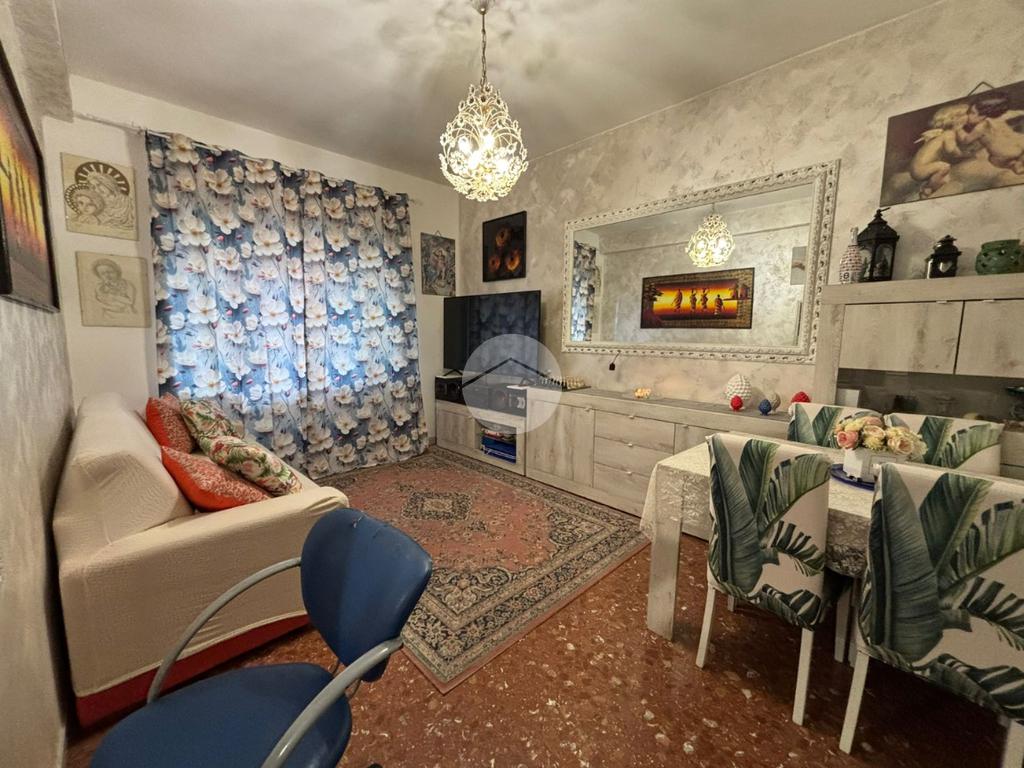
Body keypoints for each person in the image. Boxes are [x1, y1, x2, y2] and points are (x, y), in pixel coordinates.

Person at [956, 91, 1024, 175]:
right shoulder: (1000, 117)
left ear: (983, 115)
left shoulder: (981, 127)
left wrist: (958, 128)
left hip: (1005, 154)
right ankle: (1019, 162)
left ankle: (1015, 166)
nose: (969, 115)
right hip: (1020, 145)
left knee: (992, 159)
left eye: (972, 113)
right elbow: (1017, 113)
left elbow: (965, 141)